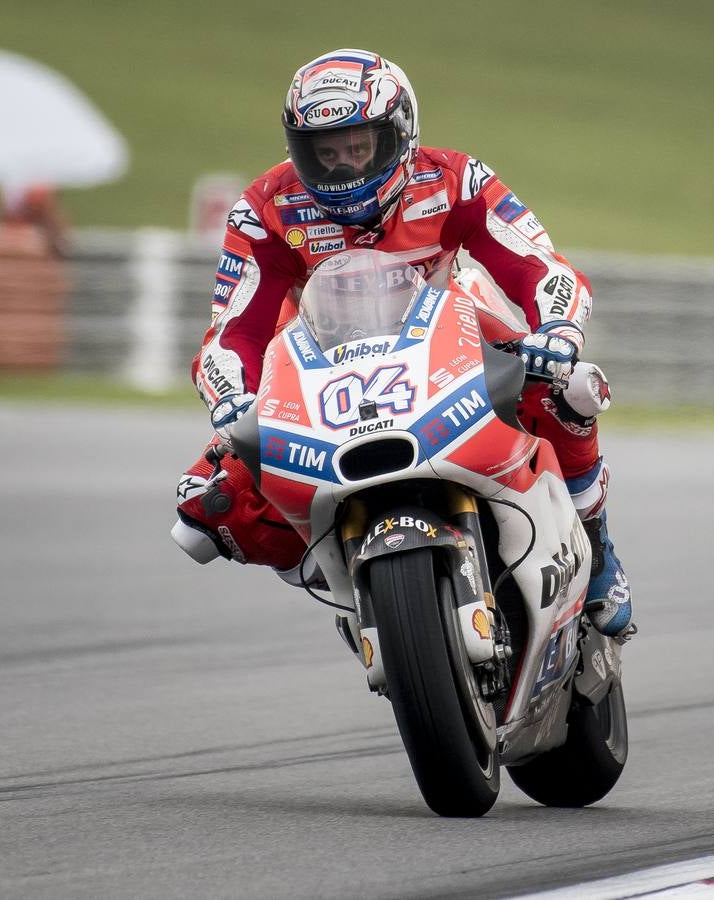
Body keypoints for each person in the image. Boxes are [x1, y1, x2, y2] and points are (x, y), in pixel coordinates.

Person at [172, 48, 633, 638]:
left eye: (359, 148)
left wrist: (558, 329)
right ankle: (347, 587)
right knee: (207, 507)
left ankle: (596, 549)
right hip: (322, 361)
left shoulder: (455, 178)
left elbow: (539, 264)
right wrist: (229, 396)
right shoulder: (265, 208)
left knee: (567, 388)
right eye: (325, 153)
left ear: (399, 133)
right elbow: (234, 327)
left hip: (456, 333)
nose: (344, 169)